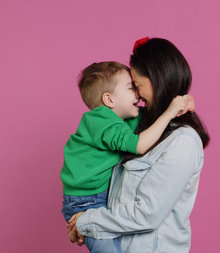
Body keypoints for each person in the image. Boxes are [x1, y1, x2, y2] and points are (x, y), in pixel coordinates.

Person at [67, 37, 210, 253]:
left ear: (157, 81)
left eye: (138, 86)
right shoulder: (138, 128)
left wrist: (85, 221)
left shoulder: (182, 141)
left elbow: (147, 214)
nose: (137, 95)